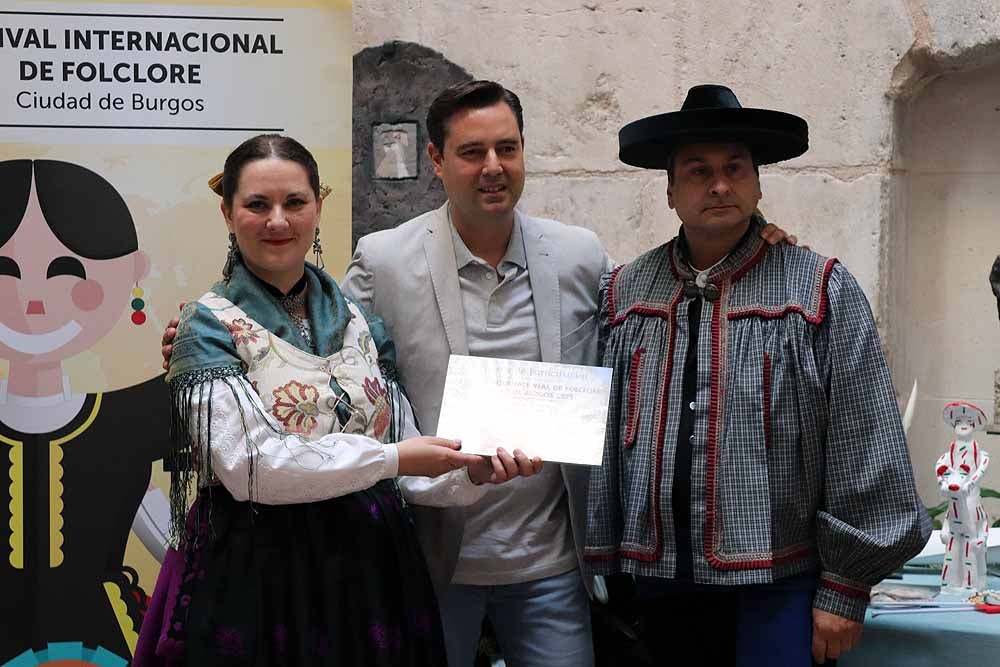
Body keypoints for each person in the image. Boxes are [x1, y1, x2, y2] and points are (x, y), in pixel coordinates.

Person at [157, 83, 798, 667]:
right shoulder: (379, 263)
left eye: (506, 148)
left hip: (549, 557)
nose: (492, 166)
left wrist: (746, 239)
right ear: (436, 160)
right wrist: (199, 340)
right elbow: (285, 393)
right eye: (471, 152)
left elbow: (656, 310)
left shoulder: (577, 255)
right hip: (418, 559)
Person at [135, 134, 539, 667]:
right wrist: (396, 460)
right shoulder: (207, 325)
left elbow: (405, 448)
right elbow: (249, 466)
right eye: (257, 204)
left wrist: (469, 472)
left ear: (318, 207)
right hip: (257, 575)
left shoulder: (359, 321)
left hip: (369, 570)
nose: (278, 221)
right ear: (227, 213)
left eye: (294, 202)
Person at [584, 85, 931, 666]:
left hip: (779, 584)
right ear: (670, 191)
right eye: (698, 171)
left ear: (757, 183)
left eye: (734, 169)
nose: (719, 185)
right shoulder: (624, 293)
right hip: (655, 586)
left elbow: (863, 439)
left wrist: (846, 587)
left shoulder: (818, 291)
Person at [0, 159, 172, 664]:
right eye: (5, 271)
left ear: (134, 271)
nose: (32, 301)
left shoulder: (138, 415)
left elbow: (166, 532)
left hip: (103, 643)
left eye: (68, 270)